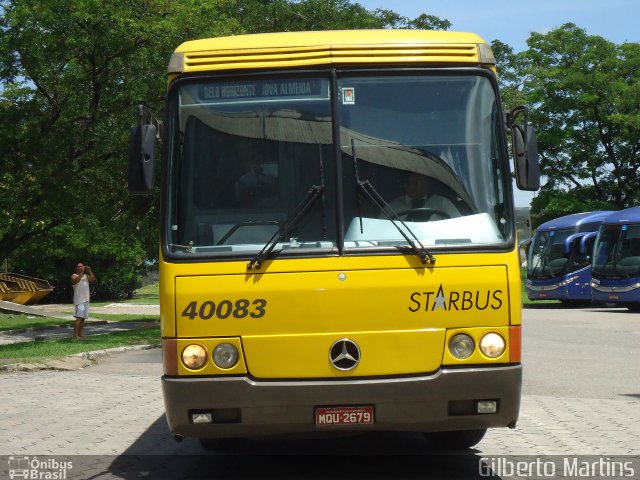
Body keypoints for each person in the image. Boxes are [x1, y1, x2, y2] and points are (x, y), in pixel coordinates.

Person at [387, 171, 459, 220]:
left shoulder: (441, 203)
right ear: (406, 186)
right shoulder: (392, 208)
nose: (422, 184)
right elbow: (381, 231)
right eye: (416, 182)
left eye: (423, 179)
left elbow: (459, 225)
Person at [71, 262, 96, 339]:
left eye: (82, 266)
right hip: (79, 301)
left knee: (83, 318)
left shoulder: (85, 276)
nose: (81, 267)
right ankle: (75, 335)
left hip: (86, 300)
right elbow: (75, 281)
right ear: (76, 268)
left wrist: (90, 271)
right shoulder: (74, 276)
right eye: (79, 266)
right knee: (79, 317)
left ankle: (80, 334)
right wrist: (81, 273)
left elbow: (93, 279)